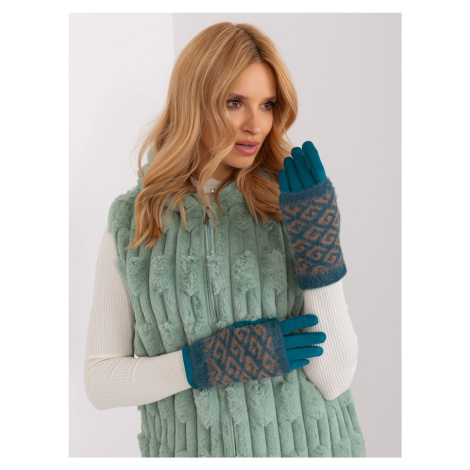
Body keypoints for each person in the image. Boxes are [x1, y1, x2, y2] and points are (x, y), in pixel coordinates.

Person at [84, 22, 366, 458]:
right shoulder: (133, 221)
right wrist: (197, 366)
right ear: (194, 102)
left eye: (267, 105)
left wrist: (321, 259)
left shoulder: (291, 202)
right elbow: (100, 382)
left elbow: (335, 378)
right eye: (235, 103)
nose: (256, 124)